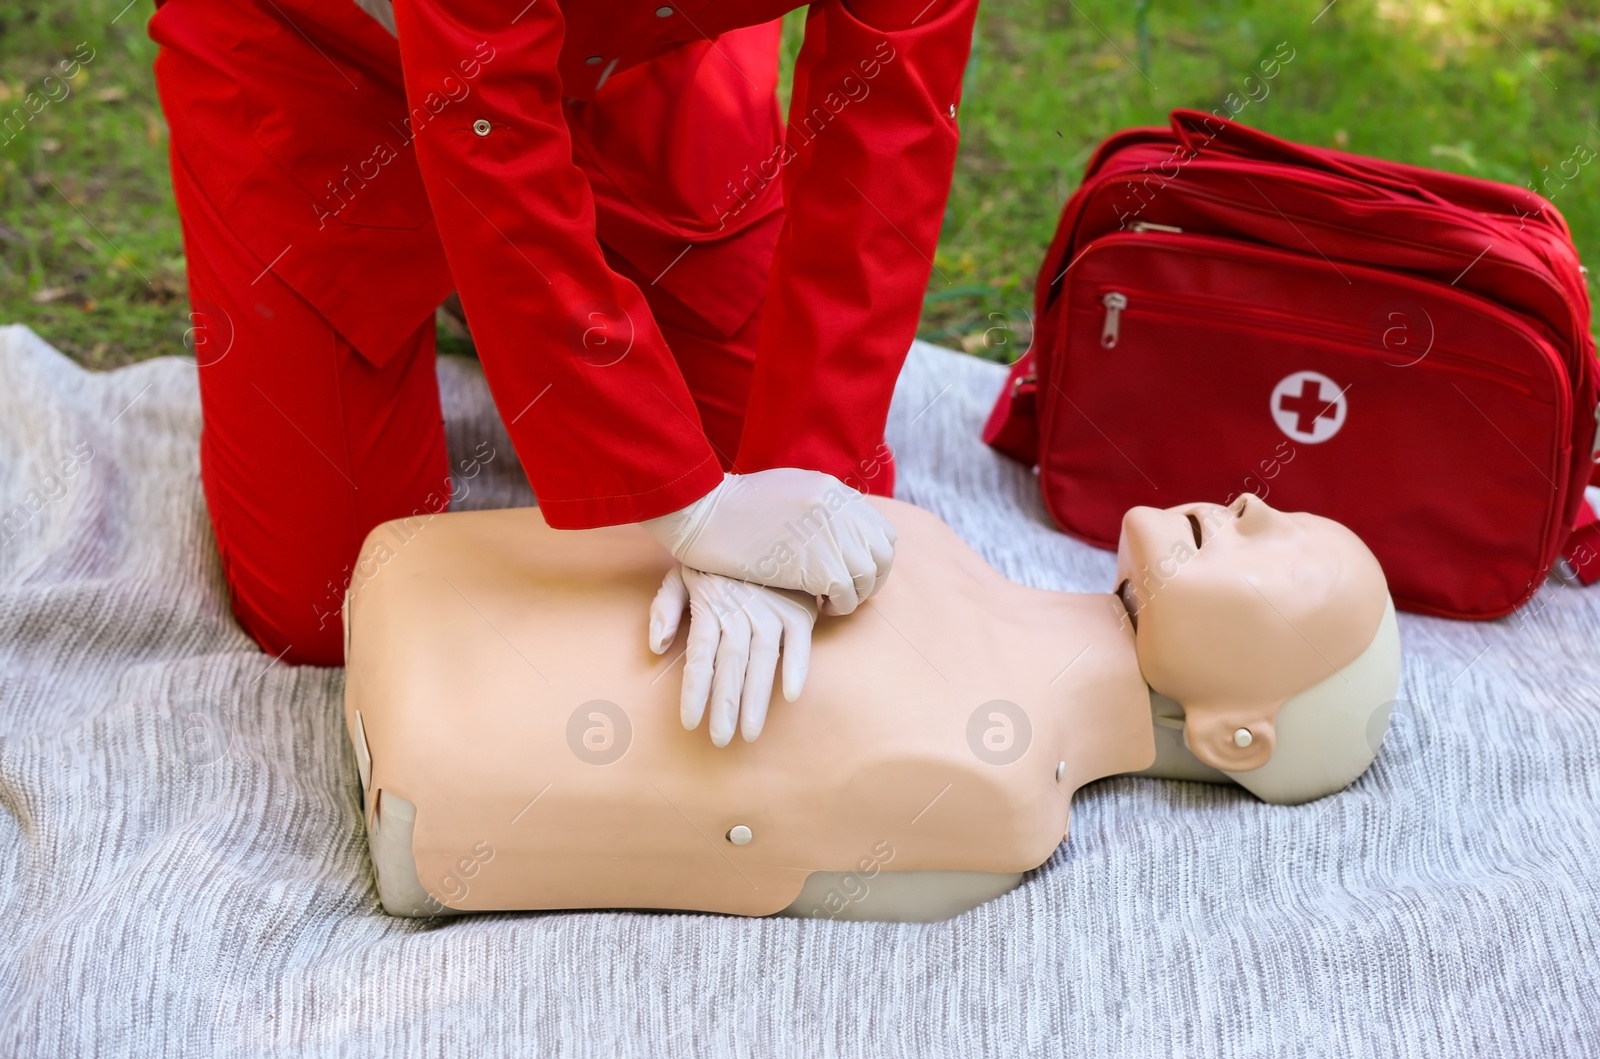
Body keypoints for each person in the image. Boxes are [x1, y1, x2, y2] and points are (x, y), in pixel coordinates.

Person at [146, 0, 982, 719]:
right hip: (328, 62)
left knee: (831, 551)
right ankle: (472, 285)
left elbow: (890, 119)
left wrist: (802, 490)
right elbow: (486, 118)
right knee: (335, 608)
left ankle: (528, 289)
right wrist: (689, 507)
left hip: (646, 58)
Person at [342, 493, 1402, 918]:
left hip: (437, 766)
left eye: (1287, 556)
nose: (1256, 503)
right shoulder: (929, 542)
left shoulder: (994, 795)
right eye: (1287, 512)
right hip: (425, 607)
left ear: (1236, 735)